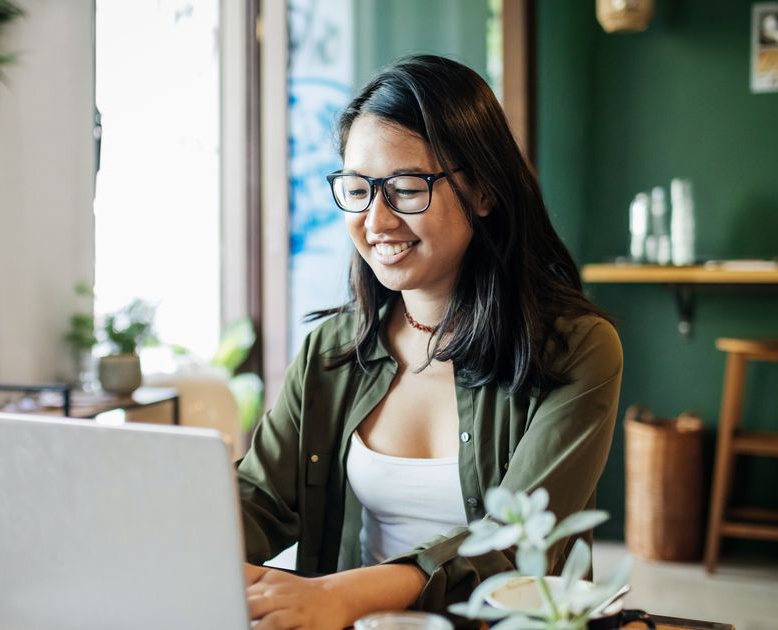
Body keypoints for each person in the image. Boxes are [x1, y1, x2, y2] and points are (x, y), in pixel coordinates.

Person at [238, 54, 623, 630]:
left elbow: (510, 545)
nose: (377, 219)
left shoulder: (578, 350)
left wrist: (341, 596)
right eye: (358, 188)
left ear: (485, 192)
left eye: (406, 188)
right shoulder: (332, 351)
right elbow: (260, 499)